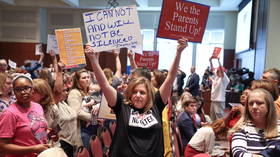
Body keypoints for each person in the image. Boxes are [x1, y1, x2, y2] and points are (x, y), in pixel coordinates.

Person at [85, 37, 188, 157]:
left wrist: (179, 52)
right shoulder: (122, 105)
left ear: (149, 94)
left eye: (142, 92)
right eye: (134, 92)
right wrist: (93, 59)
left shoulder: (156, 104)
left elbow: (170, 79)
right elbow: (105, 84)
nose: (138, 95)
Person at [0, 75, 49, 157]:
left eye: (26, 88)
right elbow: (3, 146)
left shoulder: (38, 106)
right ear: (14, 92)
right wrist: (33, 149)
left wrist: (48, 133)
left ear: (32, 90)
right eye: (18, 89)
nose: (23, 92)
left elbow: (34, 129)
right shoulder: (9, 113)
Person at [230, 88, 280, 157]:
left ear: (269, 106)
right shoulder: (241, 128)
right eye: (251, 103)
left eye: (259, 103)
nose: (254, 107)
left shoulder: (278, 126)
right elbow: (238, 153)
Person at [67, 69, 99, 151]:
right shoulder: (74, 93)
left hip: (92, 127)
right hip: (82, 130)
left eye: (88, 77)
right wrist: (95, 118)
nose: (87, 79)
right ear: (77, 81)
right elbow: (77, 112)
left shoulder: (88, 92)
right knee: (85, 152)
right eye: (84, 78)